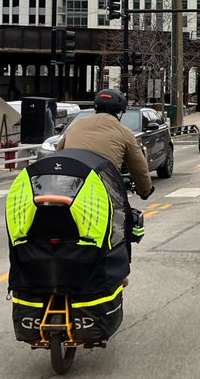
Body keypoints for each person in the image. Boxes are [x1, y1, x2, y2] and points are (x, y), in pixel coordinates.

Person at [56, 88, 154, 257]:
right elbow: (140, 169)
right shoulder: (124, 133)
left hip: (66, 188)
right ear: (120, 113)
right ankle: (119, 269)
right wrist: (145, 190)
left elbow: (58, 154)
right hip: (101, 190)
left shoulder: (76, 126)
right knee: (122, 225)